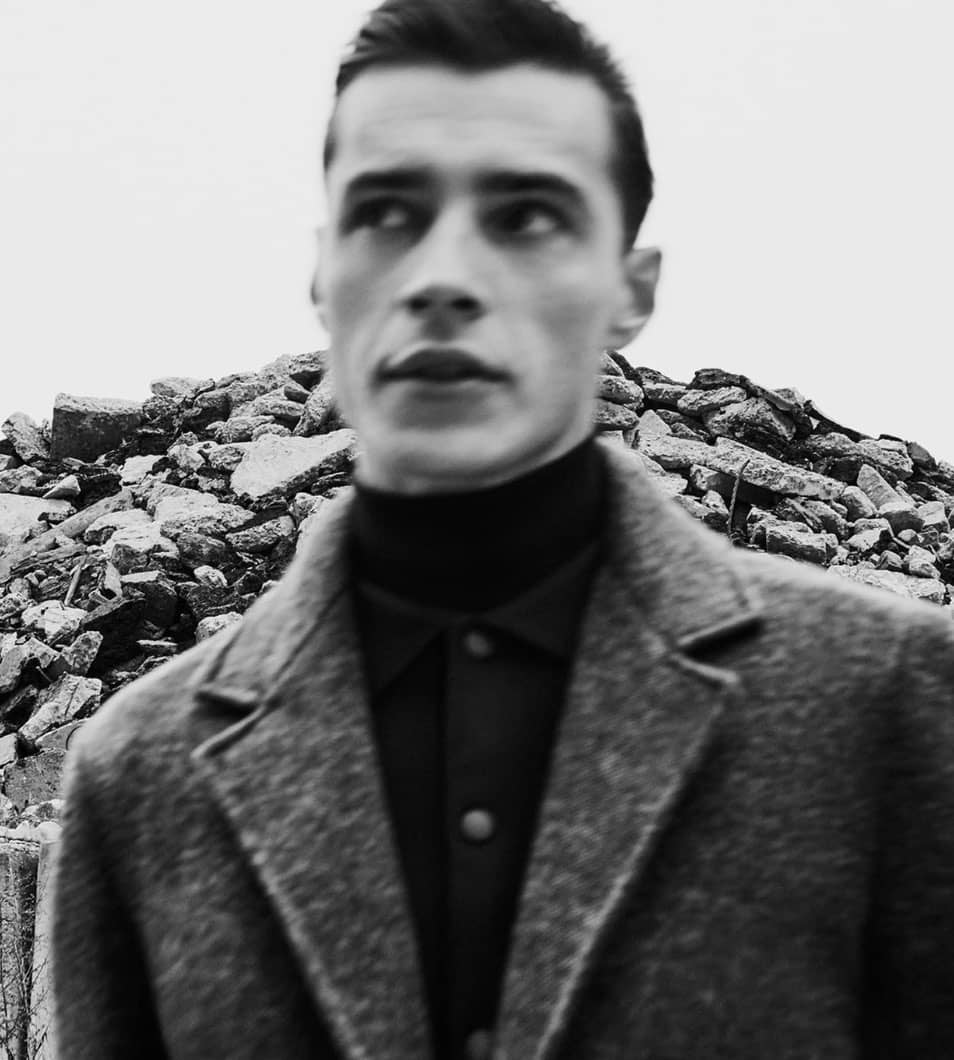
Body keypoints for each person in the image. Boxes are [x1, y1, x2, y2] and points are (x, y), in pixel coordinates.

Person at [50, 0, 954, 1057]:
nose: (443, 278)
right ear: (322, 270)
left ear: (630, 288)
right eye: (387, 212)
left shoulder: (887, 703)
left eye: (525, 216)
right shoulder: (138, 774)